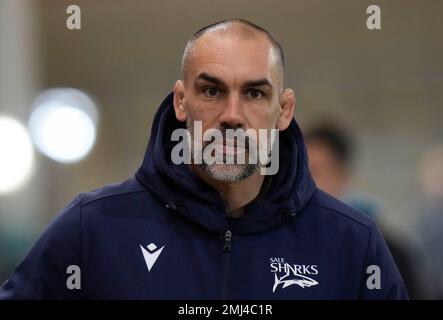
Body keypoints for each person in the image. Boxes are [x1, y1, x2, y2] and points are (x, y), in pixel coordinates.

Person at [0, 19, 407, 299]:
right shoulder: (92, 230)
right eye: (212, 91)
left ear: (284, 110)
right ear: (181, 101)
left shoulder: (351, 244)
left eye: (254, 93)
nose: (231, 115)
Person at [305, 123, 422, 298]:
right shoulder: (286, 247)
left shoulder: (387, 252)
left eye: (315, 171)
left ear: (343, 175)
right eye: (299, 172)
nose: (304, 183)